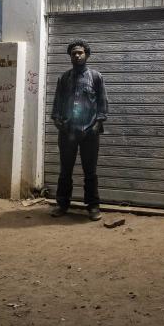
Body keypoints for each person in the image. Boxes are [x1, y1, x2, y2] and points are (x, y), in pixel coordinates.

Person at [50, 39, 109, 220]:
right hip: (67, 133)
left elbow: (102, 105)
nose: (77, 55)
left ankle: (93, 206)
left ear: (87, 55)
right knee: (65, 171)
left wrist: (96, 126)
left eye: (80, 52)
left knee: (90, 172)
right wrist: (59, 122)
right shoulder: (64, 78)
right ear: (70, 56)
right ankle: (62, 204)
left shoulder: (96, 77)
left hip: (89, 132)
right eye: (73, 53)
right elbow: (57, 105)